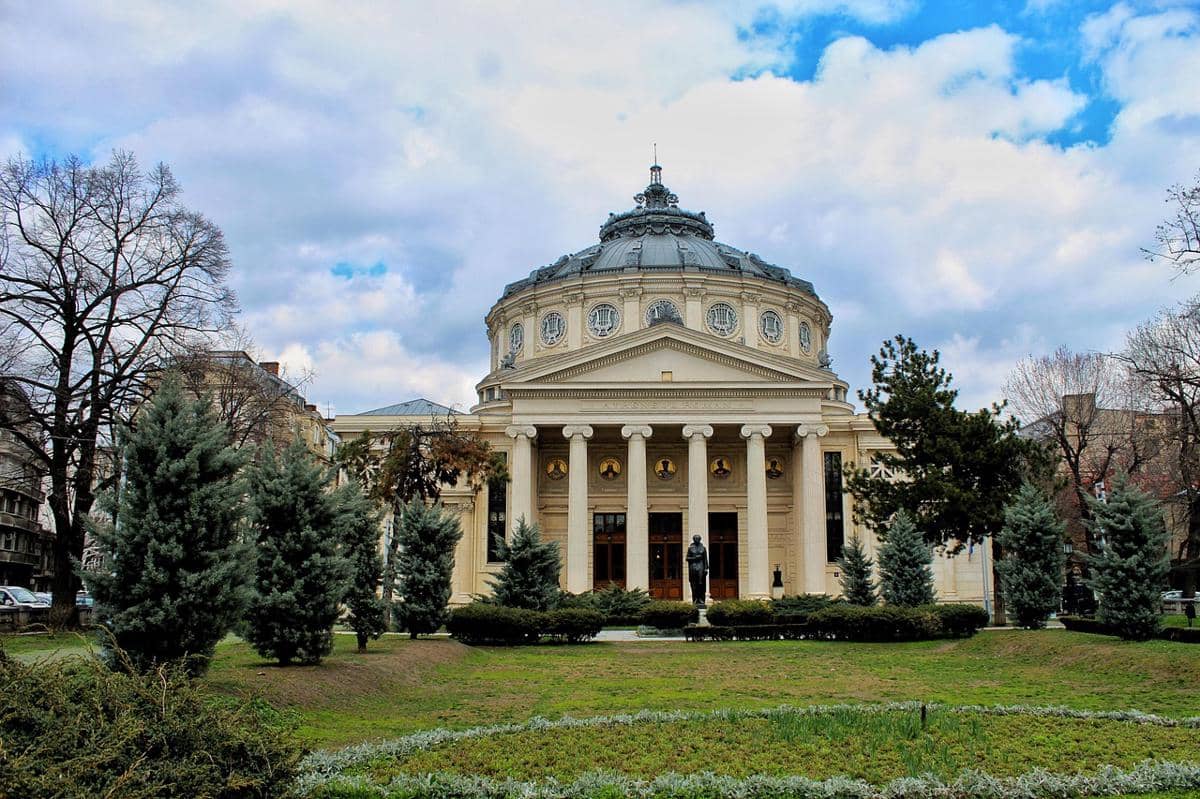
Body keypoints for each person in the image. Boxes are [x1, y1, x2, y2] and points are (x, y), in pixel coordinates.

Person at [686, 534, 708, 606]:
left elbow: (705, 559)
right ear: (693, 539)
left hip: (701, 566)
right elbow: (687, 558)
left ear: (700, 539)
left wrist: (706, 568)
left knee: (701, 584)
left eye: (698, 538)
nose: (697, 540)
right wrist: (695, 558)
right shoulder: (690, 548)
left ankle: (701, 599)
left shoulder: (703, 548)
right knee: (694, 584)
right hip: (693, 567)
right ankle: (695, 599)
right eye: (695, 539)